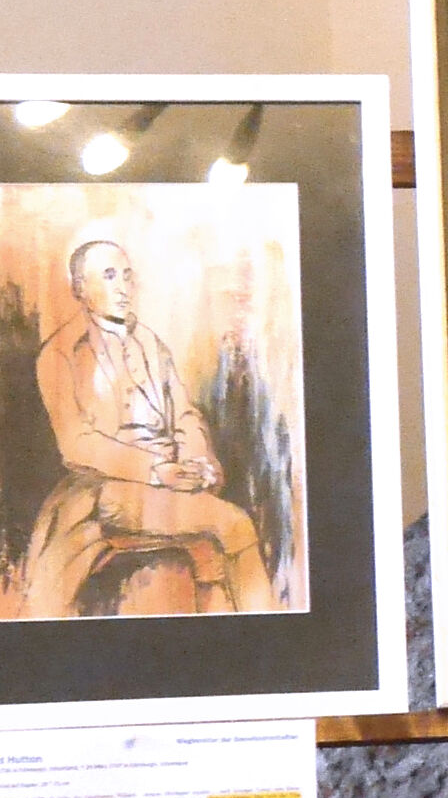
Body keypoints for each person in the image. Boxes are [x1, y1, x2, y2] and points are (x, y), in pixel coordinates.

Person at [22, 238, 274, 616]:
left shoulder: (152, 344)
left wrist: (199, 463)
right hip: (105, 489)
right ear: (79, 288)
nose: (122, 287)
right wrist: (157, 472)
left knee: (215, 548)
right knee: (235, 525)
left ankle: (232, 645)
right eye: (108, 276)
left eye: (127, 276)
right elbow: (77, 445)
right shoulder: (60, 352)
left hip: (170, 482)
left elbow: (185, 415)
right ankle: (268, 638)